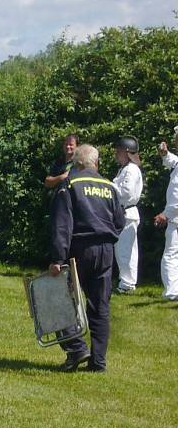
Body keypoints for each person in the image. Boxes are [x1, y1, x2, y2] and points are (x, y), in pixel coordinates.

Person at [49, 144, 125, 372]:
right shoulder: (109, 186)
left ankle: (76, 347)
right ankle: (98, 362)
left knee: (59, 299)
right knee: (100, 306)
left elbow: (62, 225)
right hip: (105, 251)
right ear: (96, 164)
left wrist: (57, 259)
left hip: (79, 249)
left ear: (77, 164)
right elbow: (119, 221)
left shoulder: (70, 184)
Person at [111, 136, 143, 294]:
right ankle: (127, 282)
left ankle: (127, 283)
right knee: (125, 250)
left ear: (126, 152)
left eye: (119, 151)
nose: (116, 153)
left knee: (125, 250)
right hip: (125, 212)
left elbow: (126, 193)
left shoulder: (130, 169)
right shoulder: (124, 169)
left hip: (127, 212)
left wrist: (111, 186)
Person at [155, 128, 178, 301]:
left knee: (170, 255)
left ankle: (172, 292)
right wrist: (165, 154)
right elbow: (173, 162)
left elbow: (177, 194)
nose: (175, 140)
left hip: (175, 218)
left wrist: (166, 214)